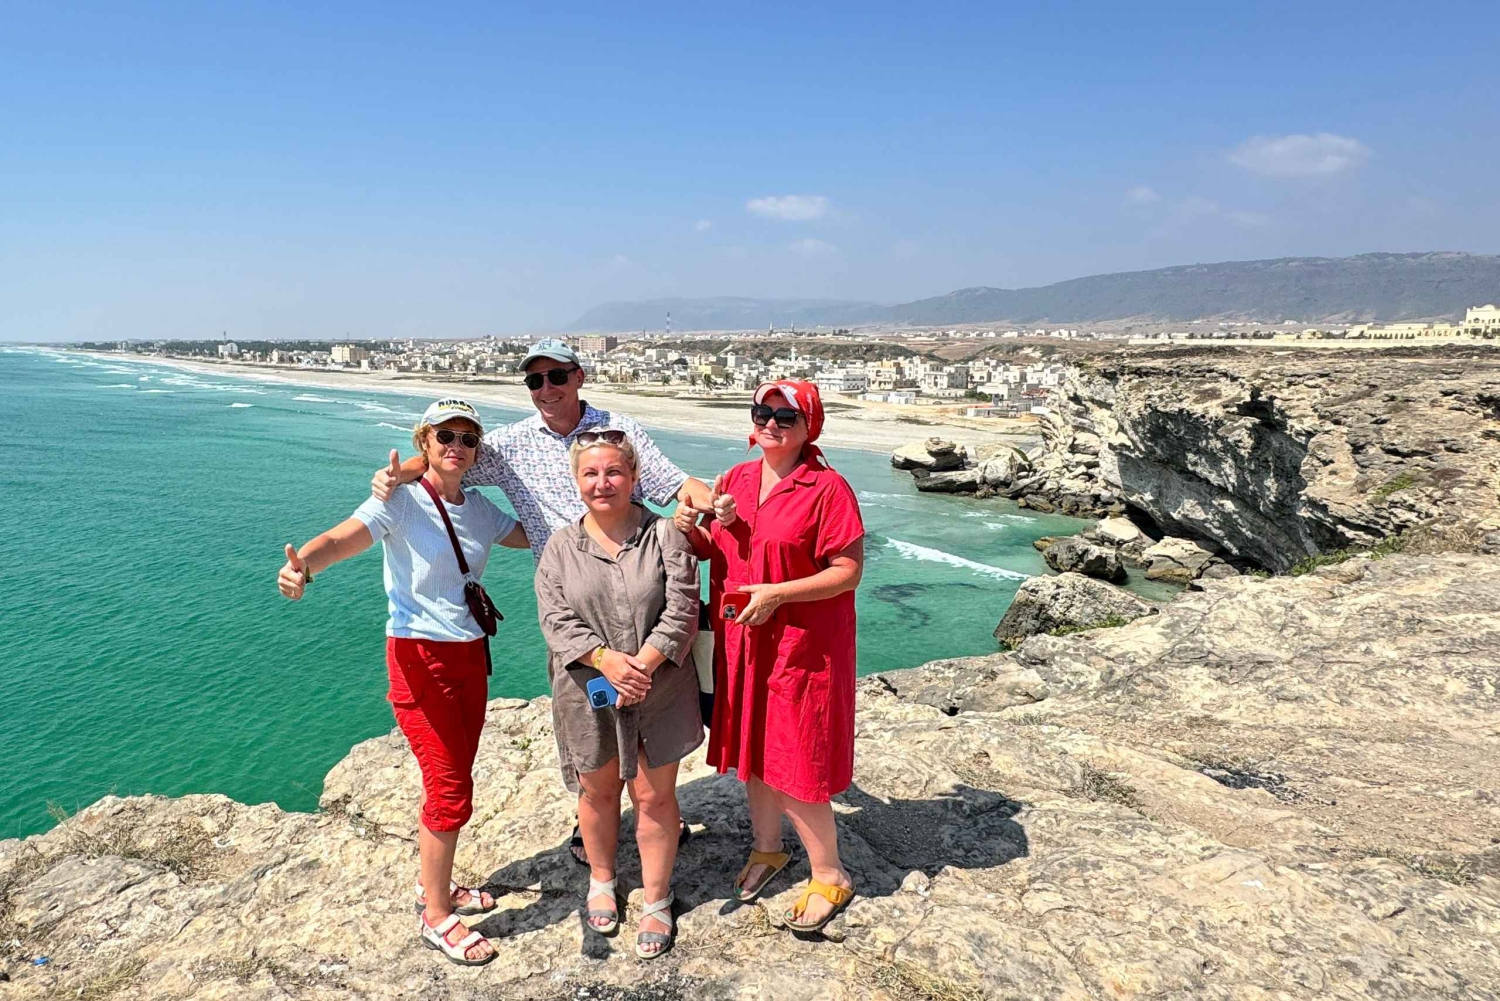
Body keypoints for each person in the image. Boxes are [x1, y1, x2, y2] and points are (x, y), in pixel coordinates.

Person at [371, 338, 732, 863]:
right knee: (588, 725)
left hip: (639, 594)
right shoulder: (512, 444)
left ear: (578, 377)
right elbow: (448, 460)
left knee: (651, 719)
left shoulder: (618, 433)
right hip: (573, 607)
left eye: (556, 377)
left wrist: (719, 505)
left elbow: (678, 484)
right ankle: (595, 827)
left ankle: (656, 817)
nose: (546, 389)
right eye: (534, 381)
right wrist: (396, 474)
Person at [278, 399, 529, 966]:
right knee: (449, 788)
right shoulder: (399, 500)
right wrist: (305, 567)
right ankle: (437, 917)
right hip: (418, 658)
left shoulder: (481, 509)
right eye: (445, 435)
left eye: (467, 438)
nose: (456, 446)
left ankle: (433, 885)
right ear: (424, 439)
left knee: (455, 777)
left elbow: (533, 533)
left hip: (470, 655)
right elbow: (345, 537)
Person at [673, 380, 865, 934]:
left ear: (810, 428)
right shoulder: (735, 479)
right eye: (764, 412)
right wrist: (693, 530)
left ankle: (830, 872)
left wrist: (777, 594)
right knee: (755, 749)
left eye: (787, 416)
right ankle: (767, 848)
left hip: (802, 647)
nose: (773, 423)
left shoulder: (827, 489)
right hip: (741, 642)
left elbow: (847, 570)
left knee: (796, 757)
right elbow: (721, 550)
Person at [535, 431, 703, 959]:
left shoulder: (665, 537)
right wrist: (607, 660)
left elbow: (683, 610)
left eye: (613, 472)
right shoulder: (561, 545)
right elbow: (554, 618)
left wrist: (642, 665)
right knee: (598, 792)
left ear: (633, 478)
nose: (602, 483)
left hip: (660, 687)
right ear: (576, 480)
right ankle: (602, 879)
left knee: (653, 798)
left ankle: (656, 897)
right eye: (591, 473)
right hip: (589, 689)